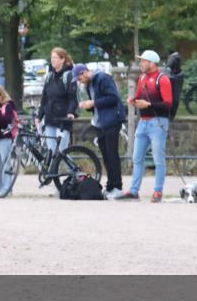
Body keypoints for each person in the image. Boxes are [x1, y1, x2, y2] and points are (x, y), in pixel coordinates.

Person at [117, 50, 173, 203]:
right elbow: (140, 96)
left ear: (152, 63)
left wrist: (148, 104)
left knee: (158, 159)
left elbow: (168, 104)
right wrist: (133, 100)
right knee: (137, 157)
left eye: (143, 61)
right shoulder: (142, 78)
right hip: (143, 122)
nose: (140, 64)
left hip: (157, 122)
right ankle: (134, 191)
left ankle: (158, 191)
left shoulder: (162, 80)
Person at [75, 63, 125, 199]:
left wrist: (94, 103)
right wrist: (88, 106)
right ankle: (110, 185)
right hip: (100, 122)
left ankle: (117, 186)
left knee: (112, 153)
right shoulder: (88, 84)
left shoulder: (103, 78)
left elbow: (113, 98)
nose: (80, 82)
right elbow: (97, 104)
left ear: (84, 73)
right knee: (106, 155)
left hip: (113, 120)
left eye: (79, 79)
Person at [35, 47, 77, 154]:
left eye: (55, 57)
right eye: (51, 57)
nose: (52, 60)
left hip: (63, 119)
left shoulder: (68, 76)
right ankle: (54, 171)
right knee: (51, 152)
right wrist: (39, 116)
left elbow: (73, 98)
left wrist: (71, 112)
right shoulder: (49, 76)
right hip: (50, 119)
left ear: (62, 60)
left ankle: (73, 170)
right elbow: (44, 98)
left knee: (62, 152)